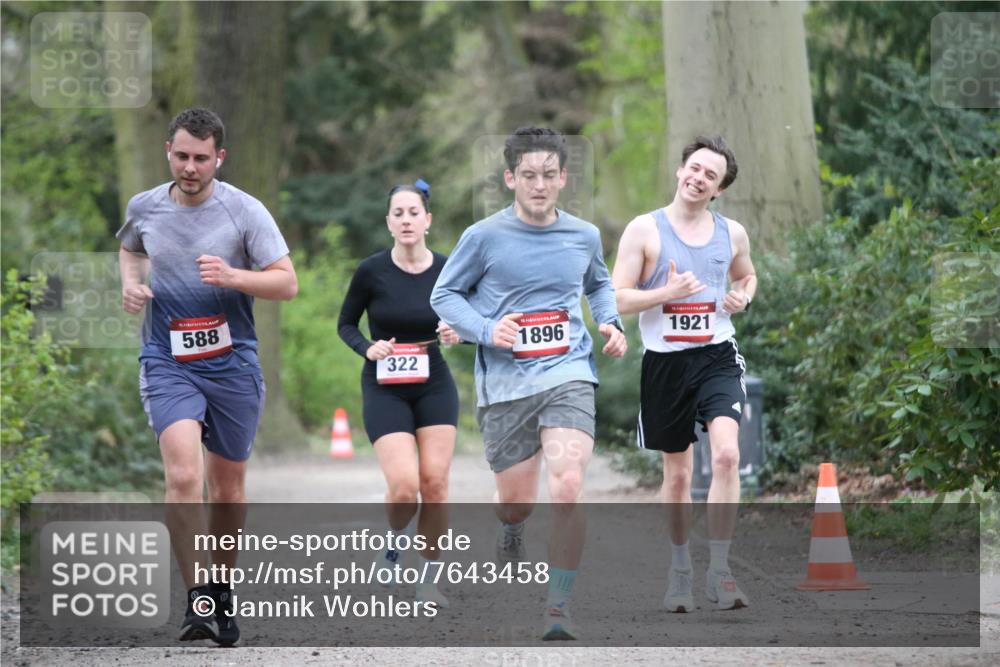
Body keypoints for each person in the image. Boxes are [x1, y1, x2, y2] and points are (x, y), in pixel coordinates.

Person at [431, 127, 627, 640]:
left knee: (567, 484)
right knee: (515, 501)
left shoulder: (584, 235)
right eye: (529, 175)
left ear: (563, 178)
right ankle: (512, 525)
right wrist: (486, 329)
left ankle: (558, 606)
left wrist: (610, 321)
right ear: (510, 178)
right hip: (507, 385)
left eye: (548, 175)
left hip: (568, 373)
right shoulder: (483, 237)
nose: (539, 185)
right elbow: (444, 295)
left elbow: (599, 284)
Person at [117, 107, 297, 645]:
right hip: (167, 359)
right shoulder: (145, 207)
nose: (190, 168)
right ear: (167, 152)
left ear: (219, 157)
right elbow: (130, 248)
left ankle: (222, 588)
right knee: (183, 477)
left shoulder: (245, 211)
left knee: (227, 487)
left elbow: (286, 283)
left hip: (232, 361)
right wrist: (132, 284)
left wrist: (234, 276)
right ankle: (198, 599)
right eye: (181, 156)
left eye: (201, 158)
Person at [611, 134, 756, 612]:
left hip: (717, 356)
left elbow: (746, 275)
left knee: (728, 456)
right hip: (665, 364)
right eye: (694, 168)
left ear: (719, 189)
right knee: (678, 476)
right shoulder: (644, 230)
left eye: (710, 175)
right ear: (680, 170)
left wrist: (742, 295)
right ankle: (680, 571)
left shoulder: (732, 233)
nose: (698, 178)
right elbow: (617, 298)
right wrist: (666, 293)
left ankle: (720, 571)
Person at [338, 180, 460, 609]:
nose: (406, 220)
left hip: (434, 383)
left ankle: (428, 581)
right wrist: (366, 347)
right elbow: (346, 324)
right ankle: (394, 541)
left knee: (436, 484)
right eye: (398, 214)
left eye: (414, 213)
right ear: (388, 223)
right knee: (406, 487)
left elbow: (470, 318)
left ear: (428, 220)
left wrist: (456, 332)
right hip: (384, 386)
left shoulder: (448, 268)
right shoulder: (371, 271)